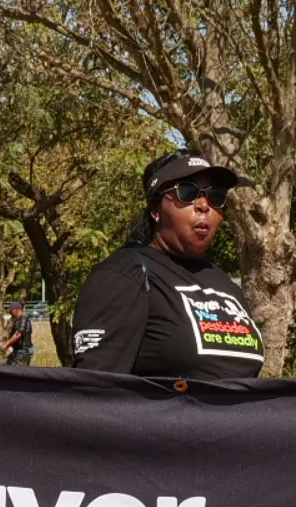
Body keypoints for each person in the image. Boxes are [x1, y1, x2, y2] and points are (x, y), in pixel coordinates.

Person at [70, 150, 266, 377]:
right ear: (156, 210)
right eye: (188, 192)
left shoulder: (225, 284)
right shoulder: (125, 274)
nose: (204, 205)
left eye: (216, 196)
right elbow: (95, 389)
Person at [0, 301, 36, 365]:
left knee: (18, 371)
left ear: (16, 310)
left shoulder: (23, 319)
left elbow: (18, 334)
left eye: (11, 311)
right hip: (20, 350)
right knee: (6, 365)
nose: (10, 313)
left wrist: (6, 345)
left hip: (24, 351)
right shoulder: (19, 319)